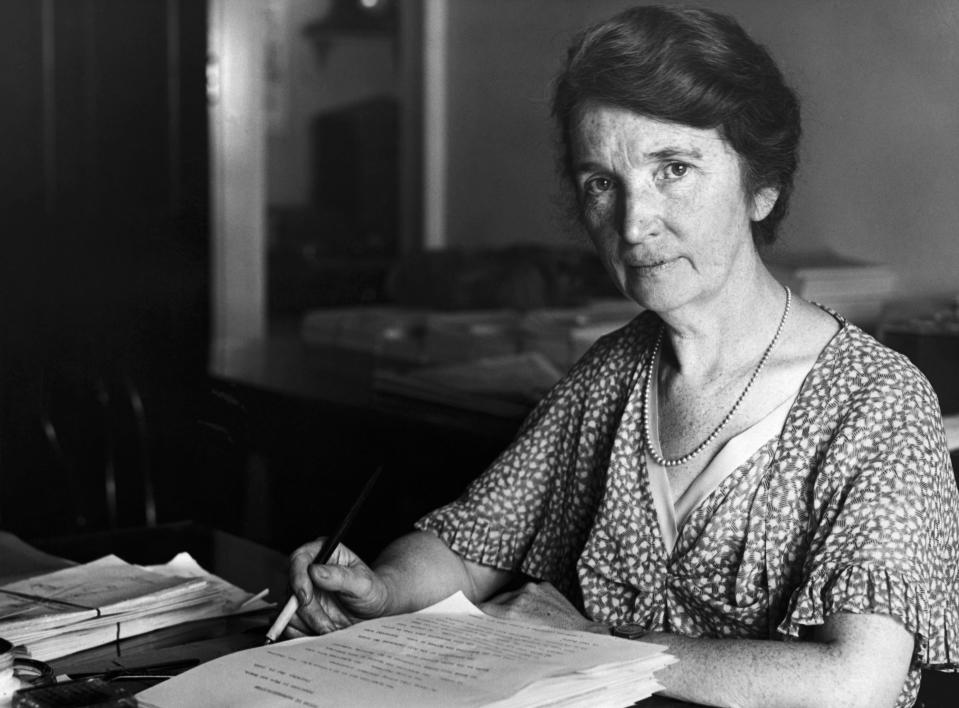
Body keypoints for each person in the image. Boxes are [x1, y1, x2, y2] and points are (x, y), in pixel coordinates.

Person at [284, 6, 959, 706]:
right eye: (601, 182)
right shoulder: (611, 373)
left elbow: (856, 683)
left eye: (672, 168)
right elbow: (469, 545)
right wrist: (381, 588)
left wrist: (592, 645)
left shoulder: (874, 403)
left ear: (762, 186)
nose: (633, 224)